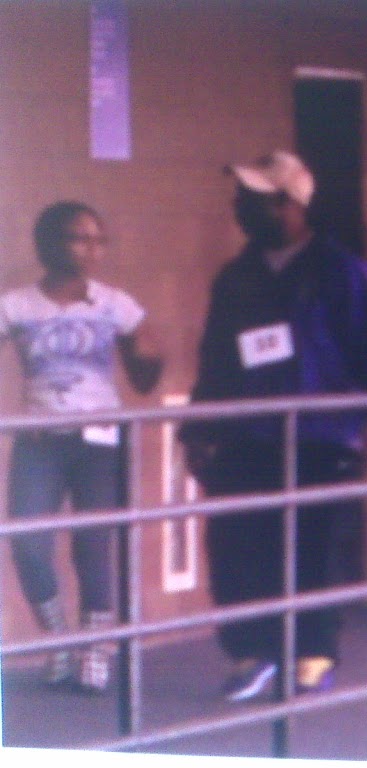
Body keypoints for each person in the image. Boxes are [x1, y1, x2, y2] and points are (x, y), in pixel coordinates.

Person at [179, 150, 367, 702]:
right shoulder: (236, 277)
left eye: (251, 199)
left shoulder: (342, 271)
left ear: (288, 205)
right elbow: (215, 358)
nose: (238, 208)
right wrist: (198, 428)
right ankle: (251, 651)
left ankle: (313, 652)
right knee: (238, 545)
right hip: (246, 434)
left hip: (319, 435)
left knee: (317, 547)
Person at [0, 201, 163, 693]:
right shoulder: (16, 304)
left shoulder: (116, 304)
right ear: (48, 243)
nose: (91, 250)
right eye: (79, 239)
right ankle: (57, 640)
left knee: (93, 548)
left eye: (98, 240)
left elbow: (144, 373)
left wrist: (151, 357)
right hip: (40, 440)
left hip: (98, 443)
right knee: (28, 542)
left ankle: (95, 650)